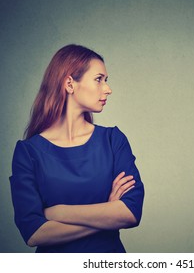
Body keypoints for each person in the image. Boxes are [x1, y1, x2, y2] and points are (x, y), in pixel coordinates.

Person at [9, 44, 145, 253]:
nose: (108, 89)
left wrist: (59, 212)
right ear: (70, 84)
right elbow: (34, 233)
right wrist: (106, 214)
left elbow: (130, 212)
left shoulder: (113, 140)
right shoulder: (28, 152)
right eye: (99, 79)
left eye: (106, 81)